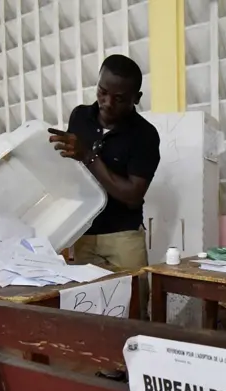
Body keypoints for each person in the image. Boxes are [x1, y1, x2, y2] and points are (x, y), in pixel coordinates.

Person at [49, 54, 160, 324]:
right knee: (91, 311)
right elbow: (70, 170)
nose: (108, 103)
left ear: (136, 97)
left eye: (120, 98)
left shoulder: (145, 135)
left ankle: (132, 366)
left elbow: (132, 195)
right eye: (102, 92)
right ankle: (104, 367)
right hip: (84, 232)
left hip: (123, 236)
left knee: (133, 311)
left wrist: (89, 156)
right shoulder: (80, 117)